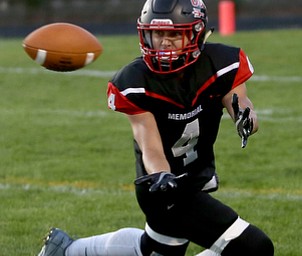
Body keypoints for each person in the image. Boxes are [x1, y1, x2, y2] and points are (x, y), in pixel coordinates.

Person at [37, 0, 274, 255]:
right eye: (158, 33)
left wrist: (244, 117)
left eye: (174, 34)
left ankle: (66, 250)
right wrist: (163, 176)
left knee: (156, 249)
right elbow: (149, 144)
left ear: (197, 33)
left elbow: (240, 102)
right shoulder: (135, 81)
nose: (164, 41)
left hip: (194, 176)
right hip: (161, 186)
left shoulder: (221, 62)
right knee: (254, 248)